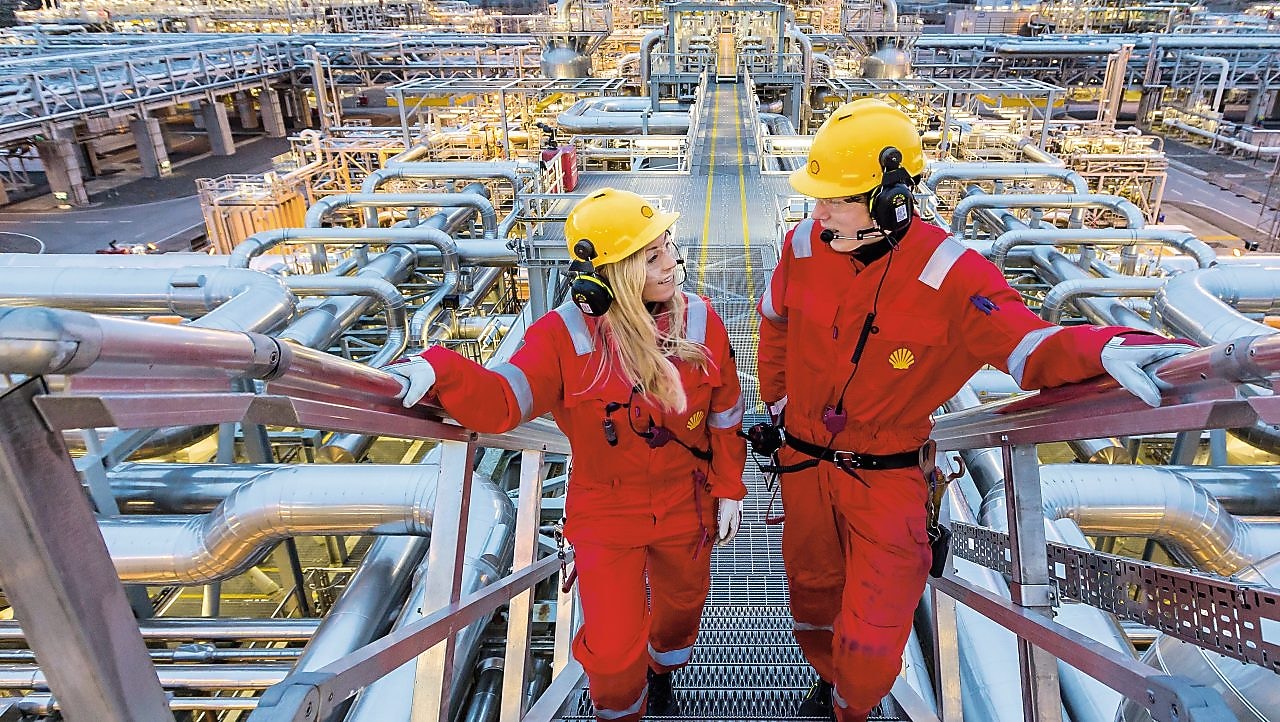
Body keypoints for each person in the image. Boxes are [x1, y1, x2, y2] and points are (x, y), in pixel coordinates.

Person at [755, 99, 1195, 721]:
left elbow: (1030, 349)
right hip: (802, 464)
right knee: (812, 596)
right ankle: (828, 681)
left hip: (885, 477)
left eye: (837, 198)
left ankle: (851, 706)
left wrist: (1117, 344)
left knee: (875, 638)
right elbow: (774, 323)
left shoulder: (954, 276)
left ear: (891, 200)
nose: (819, 210)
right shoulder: (804, 243)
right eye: (818, 196)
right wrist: (776, 397)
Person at [388, 187, 748, 721]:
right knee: (611, 644)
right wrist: (441, 369)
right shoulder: (564, 339)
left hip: (687, 502)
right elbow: (504, 401)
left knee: (681, 610)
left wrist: (728, 488)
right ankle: (620, 710)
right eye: (652, 257)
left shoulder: (699, 322)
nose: (673, 262)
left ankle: (664, 670)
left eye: (668, 245)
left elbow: (726, 413)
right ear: (612, 276)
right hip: (606, 510)